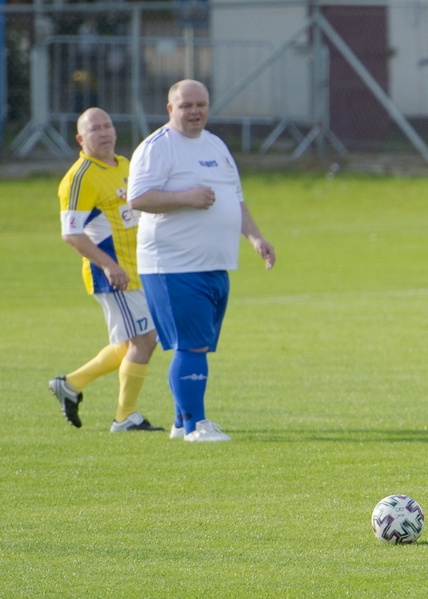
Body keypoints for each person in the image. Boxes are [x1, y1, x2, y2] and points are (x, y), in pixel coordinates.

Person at [127, 79, 276, 443]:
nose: (194, 111)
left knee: (199, 344)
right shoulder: (157, 148)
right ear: (170, 109)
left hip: (214, 263)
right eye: (186, 105)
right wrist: (186, 197)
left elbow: (234, 199)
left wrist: (255, 237)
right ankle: (197, 425)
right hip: (172, 263)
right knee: (191, 345)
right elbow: (138, 198)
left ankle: (182, 421)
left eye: (201, 105)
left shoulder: (216, 145)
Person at [50, 107, 162, 433]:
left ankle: (70, 384)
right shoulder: (79, 177)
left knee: (133, 343)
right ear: (80, 139)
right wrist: (109, 265)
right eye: (95, 129)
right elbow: (71, 233)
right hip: (113, 274)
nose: (104, 133)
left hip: (141, 269)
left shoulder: (127, 165)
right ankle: (125, 417)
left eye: (107, 126)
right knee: (145, 340)